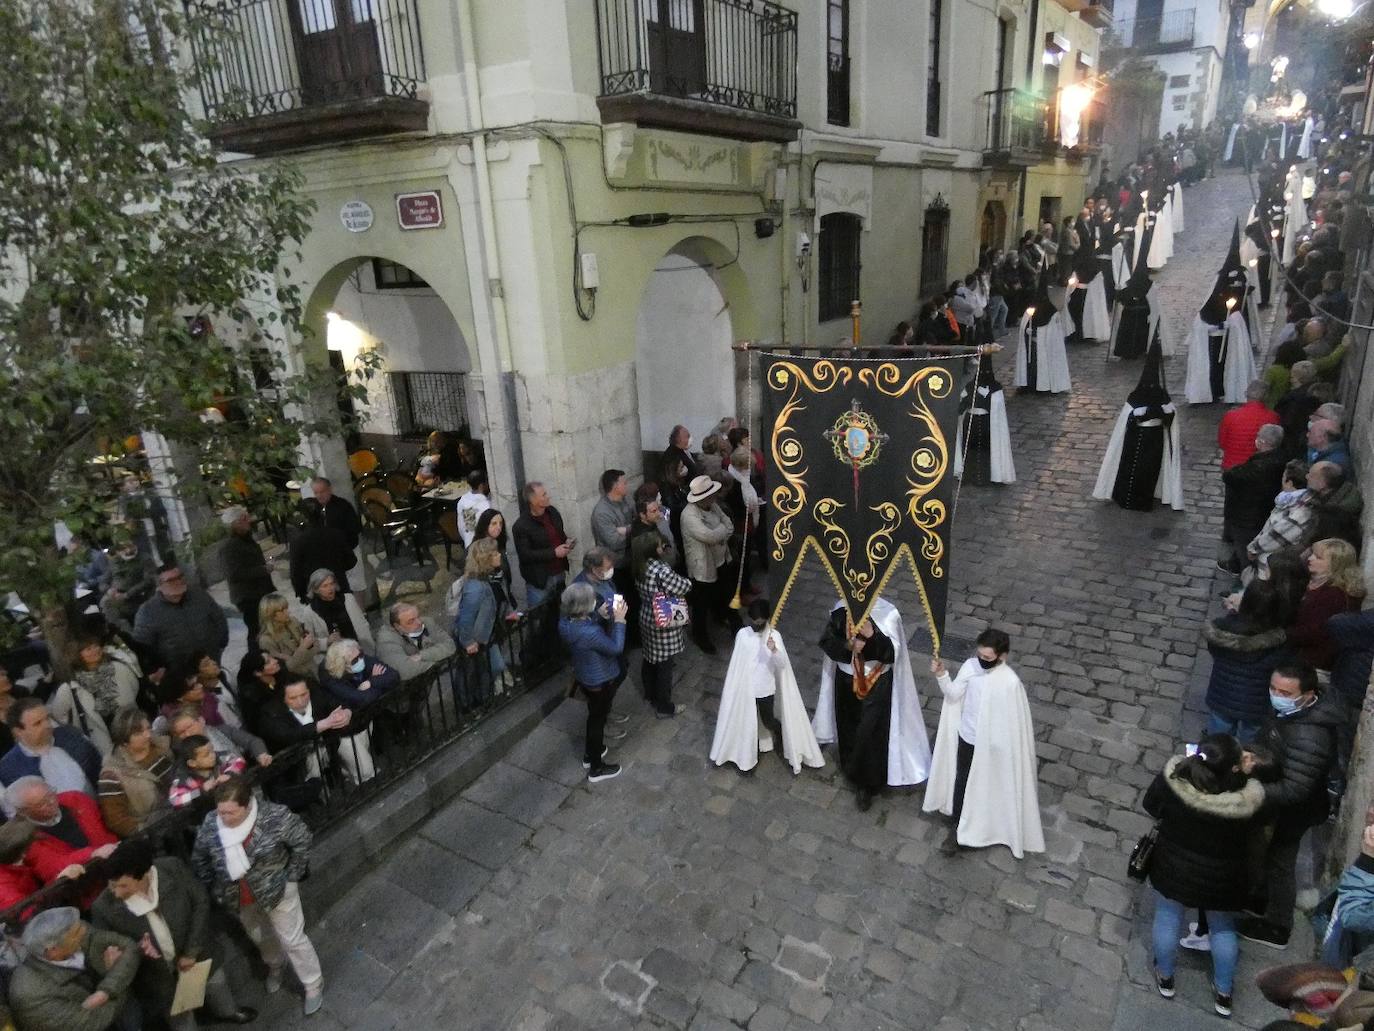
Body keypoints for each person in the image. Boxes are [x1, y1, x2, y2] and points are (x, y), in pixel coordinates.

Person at [1142, 735, 1264, 1019]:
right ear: (1234, 767)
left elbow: (1151, 806)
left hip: (1174, 867)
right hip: (1223, 878)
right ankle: (1223, 991)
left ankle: (1166, 977)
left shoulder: (1175, 781)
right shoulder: (1246, 800)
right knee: (1222, 927)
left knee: (1168, 916)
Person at [192, 778, 326, 1016]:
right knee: (260, 937)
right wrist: (215, 887)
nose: (223, 818)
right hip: (240, 899)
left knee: (293, 939)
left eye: (230, 813)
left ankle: (313, 983)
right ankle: (276, 965)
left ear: (247, 806)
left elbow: (302, 839)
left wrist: (292, 874)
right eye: (220, 811)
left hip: (277, 891)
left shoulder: (274, 817)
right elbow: (201, 857)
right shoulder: (212, 824)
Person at [93, 839, 258, 1028]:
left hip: (197, 953)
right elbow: (105, 945)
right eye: (112, 885)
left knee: (215, 983)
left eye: (123, 886)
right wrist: (115, 958)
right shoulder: (104, 908)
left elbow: (200, 902)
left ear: (143, 874)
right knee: (178, 1013)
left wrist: (191, 951)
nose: (115, 893)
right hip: (157, 975)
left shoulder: (172, 868)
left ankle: (228, 1011)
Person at [1238, 662, 1343, 949]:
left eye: (1284, 691)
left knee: (1280, 863)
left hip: (1293, 812)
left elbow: (1295, 788)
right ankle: (1259, 899)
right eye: (1273, 688)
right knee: (1266, 854)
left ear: (1307, 695)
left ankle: (1277, 926)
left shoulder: (1310, 736)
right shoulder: (1292, 712)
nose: (1276, 695)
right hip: (1280, 802)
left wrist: (1251, 790)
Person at [925, 629, 1043, 857]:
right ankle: (959, 829)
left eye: (988, 658)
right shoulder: (971, 667)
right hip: (967, 738)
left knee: (985, 787)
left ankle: (985, 827)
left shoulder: (1010, 683)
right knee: (962, 783)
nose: (982, 661)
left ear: (1002, 656)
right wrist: (942, 675)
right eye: (980, 655)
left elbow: (1012, 725)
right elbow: (953, 694)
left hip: (991, 748)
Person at [813, 599, 931, 812]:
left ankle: (869, 782)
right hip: (847, 681)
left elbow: (893, 654)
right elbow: (828, 642)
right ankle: (854, 773)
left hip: (877, 684)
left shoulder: (887, 614)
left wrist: (872, 637)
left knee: (871, 733)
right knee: (849, 728)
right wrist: (849, 646)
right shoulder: (841, 610)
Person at [711, 599, 823, 775]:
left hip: (764, 689)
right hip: (745, 690)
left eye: (761, 623)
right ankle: (747, 759)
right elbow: (737, 664)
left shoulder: (774, 636)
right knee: (747, 724)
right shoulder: (742, 635)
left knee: (767, 720)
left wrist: (774, 650)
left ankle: (780, 733)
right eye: (755, 623)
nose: (757, 627)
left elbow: (782, 665)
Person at [9, 906, 140, 1031]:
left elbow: (127, 946)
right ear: (53, 950)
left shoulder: (75, 929)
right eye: (77, 932)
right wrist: (117, 977)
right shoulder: (31, 994)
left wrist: (106, 991)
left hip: (111, 1008)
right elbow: (90, 1024)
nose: (84, 930)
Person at [1093, 337, 1183, 512]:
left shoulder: (1159, 397)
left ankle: (1142, 500)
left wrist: (1159, 414)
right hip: (1137, 439)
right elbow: (1127, 422)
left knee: (1148, 472)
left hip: (1153, 439)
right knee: (1135, 470)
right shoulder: (1139, 397)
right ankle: (1131, 499)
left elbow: (1170, 419)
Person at [1203, 580, 1288, 742]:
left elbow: (1214, 650)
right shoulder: (1276, 639)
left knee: (1218, 737)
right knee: (1249, 741)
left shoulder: (1223, 628)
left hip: (1223, 692)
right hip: (1255, 701)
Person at [559, 583, 626, 782]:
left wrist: (598, 615)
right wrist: (620, 621)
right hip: (599, 679)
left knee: (594, 716)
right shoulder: (590, 633)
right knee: (597, 719)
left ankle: (591, 753)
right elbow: (615, 648)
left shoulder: (564, 622)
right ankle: (596, 767)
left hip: (584, 675)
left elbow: (585, 627)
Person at [1184, 225, 1256, 405]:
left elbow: (1238, 324)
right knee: (1211, 368)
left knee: (1225, 366)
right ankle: (1210, 392)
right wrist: (1214, 327)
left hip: (1229, 343)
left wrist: (1229, 324)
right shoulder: (1208, 308)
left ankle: (1226, 389)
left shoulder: (1237, 317)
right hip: (1211, 343)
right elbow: (1201, 324)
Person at [7, 776, 118, 885]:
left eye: (50, 794)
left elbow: (110, 824)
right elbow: (53, 867)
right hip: (87, 884)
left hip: (118, 859)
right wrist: (93, 853)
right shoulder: (26, 839)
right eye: (41, 804)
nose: (51, 802)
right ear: (23, 812)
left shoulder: (75, 799)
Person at [257, 677, 360, 788]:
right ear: (284, 699)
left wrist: (346, 713)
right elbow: (287, 734)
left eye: (304, 695)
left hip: (330, 746)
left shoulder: (318, 697)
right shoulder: (272, 713)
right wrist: (323, 724)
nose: (300, 701)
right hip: (299, 763)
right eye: (293, 698)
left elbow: (340, 703)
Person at [633, 532, 691, 719]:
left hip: (647, 616)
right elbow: (683, 586)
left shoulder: (639, 566)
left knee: (650, 659)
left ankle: (650, 695)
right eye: (659, 545)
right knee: (665, 666)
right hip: (663, 620)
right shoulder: (661, 570)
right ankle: (664, 706)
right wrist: (687, 581)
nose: (662, 547)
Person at [450, 539, 512, 706]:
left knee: (484, 671)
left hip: (485, 633)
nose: (499, 555)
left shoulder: (487, 577)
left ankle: (483, 698)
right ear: (487, 558)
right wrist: (468, 641)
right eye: (495, 553)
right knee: (474, 673)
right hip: (475, 639)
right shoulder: (475, 587)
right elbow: (466, 617)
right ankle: (471, 704)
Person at [1219, 423, 1287, 574]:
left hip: (1249, 515)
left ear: (1263, 442)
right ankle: (1235, 564)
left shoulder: (1259, 466)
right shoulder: (1279, 458)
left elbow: (1232, 476)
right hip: (1261, 510)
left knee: (1245, 548)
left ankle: (1245, 578)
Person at [133, 564, 229, 670]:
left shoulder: (199, 595)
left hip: (211, 662)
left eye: (179, 577)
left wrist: (221, 644)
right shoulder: (147, 611)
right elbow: (143, 647)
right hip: (179, 672)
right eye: (171, 580)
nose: (178, 582)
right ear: (160, 585)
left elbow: (218, 619)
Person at [1287, 539, 1364, 671]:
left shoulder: (1335, 595)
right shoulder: (1315, 583)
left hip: (1314, 660)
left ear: (1334, 564)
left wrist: (1281, 635)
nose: (1310, 558)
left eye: (1318, 557)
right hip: (1302, 649)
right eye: (1312, 554)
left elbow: (1316, 632)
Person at [0, 698, 102, 796]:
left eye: (47, 718)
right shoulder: (9, 768)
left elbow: (98, 765)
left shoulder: (71, 736)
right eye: (37, 723)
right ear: (18, 732)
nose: (47, 725)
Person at [97, 708, 173, 838]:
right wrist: (146, 833)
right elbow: (116, 820)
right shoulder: (111, 776)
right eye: (139, 733)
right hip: (154, 835)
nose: (148, 735)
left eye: (148, 728)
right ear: (124, 740)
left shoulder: (161, 751)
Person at [680, 475, 735, 655]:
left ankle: (722, 616)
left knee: (724, 591)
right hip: (702, 566)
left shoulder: (713, 505)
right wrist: (721, 531)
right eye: (710, 496)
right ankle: (700, 635)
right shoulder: (688, 515)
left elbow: (728, 523)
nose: (714, 498)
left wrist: (719, 532)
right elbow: (708, 536)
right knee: (701, 603)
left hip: (720, 559)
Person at [954, 348, 1015, 486]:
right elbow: (962, 405)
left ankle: (986, 476)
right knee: (971, 450)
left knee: (985, 451)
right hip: (971, 421)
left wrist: (984, 398)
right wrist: (968, 400)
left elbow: (996, 409)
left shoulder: (995, 389)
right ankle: (971, 475)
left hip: (987, 422)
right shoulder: (970, 386)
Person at [513, 482, 574, 617]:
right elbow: (525, 554)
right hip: (540, 580)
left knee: (561, 614)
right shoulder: (521, 525)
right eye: (544, 495)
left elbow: (559, 534)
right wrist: (554, 553)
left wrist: (566, 541)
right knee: (539, 618)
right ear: (533, 500)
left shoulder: (553, 512)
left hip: (559, 574)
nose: (548, 497)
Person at [1246, 460, 1316, 573]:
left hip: (1271, 563)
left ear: (1289, 482)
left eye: (1283, 477)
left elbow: (1277, 535)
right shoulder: (1288, 500)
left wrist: (1254, 548)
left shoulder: (1299, 511)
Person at [219, 506, 274, 643]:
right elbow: (234, 573)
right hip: (249, 597)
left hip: (260, 591)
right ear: (235, 523)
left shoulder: (247, 540)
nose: (248, 521)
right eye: (244, 519)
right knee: (257, 631)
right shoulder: (230, 547)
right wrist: (262, 570)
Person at [287, 500, 356, 604]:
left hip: (314, 594)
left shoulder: (297, 542)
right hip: (339, 587)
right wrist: (337, 570)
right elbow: (351, 561)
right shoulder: (336, 534)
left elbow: (296, 573)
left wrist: (301, 594)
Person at [1014, 277, 1071, 394]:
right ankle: (1035, 384)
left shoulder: (1048, 312)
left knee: (1038, 365)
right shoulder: (1041, 311)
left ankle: (1041, 384)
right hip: (1034, 346)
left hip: (1040, 345)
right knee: (1034, 365)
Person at [375, 602, 457, 681]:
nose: (419, 622)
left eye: (418, 617)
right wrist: (437, 663)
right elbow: (404, 670)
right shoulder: (386, 639)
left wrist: (422, 656)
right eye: (411, 621)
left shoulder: (427, 622)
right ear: (398, 626)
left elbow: (450, 645)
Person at [301, 568, 374, 653]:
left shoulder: (348, 599)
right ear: (316, 590)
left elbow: (363, 624)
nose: (330, 588)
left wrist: (370, 646)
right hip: (335, 657)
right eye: (325, 586)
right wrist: (327, 641)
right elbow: (309, 643)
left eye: (332, 584)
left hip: (360, 649)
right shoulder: (309, 612)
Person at [256, 592, 324, 681]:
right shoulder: (266, 640)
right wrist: (303, 648)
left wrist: (295, 657)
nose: (288, 612)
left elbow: (315, 647)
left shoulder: (293, 622)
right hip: (296, 680)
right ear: (271, 614)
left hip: (314, 669)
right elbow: (286, 668)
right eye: (282, 610)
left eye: (287, 608)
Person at [168, 734, 246, 809]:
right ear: (192, 763)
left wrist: (229, 774)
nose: (212, 755)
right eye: (206, 755)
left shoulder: (219, 758)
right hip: (207, 808)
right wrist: (202, 790)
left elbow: (238, 760)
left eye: (212, 750)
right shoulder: (183, 778)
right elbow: (175, 800)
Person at [1218, 381, 1279, 471]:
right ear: (1266, 397)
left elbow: (1222, 442)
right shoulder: (1273, 417)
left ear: (1246, 394)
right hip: (1258, 466)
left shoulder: (1231, 415)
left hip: (1232, 464)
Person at [1306, 461, 1363, 547]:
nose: (1307, 477)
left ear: (1322, 483)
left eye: (1312, 475)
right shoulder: (1323, 498)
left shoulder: (1334, 516)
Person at [310, 476, 361, 552]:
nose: (319, 496)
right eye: (316, 493)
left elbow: (354, 529)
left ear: (329, 490)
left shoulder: (343, 506)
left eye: (322, 492)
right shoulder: (313, 507)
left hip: (342, 548)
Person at [455, 468, 492, 548]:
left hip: (467, 544)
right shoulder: (486, 506)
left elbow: (464, 528)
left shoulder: (462, 500)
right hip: (483, 548)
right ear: (482, 485)